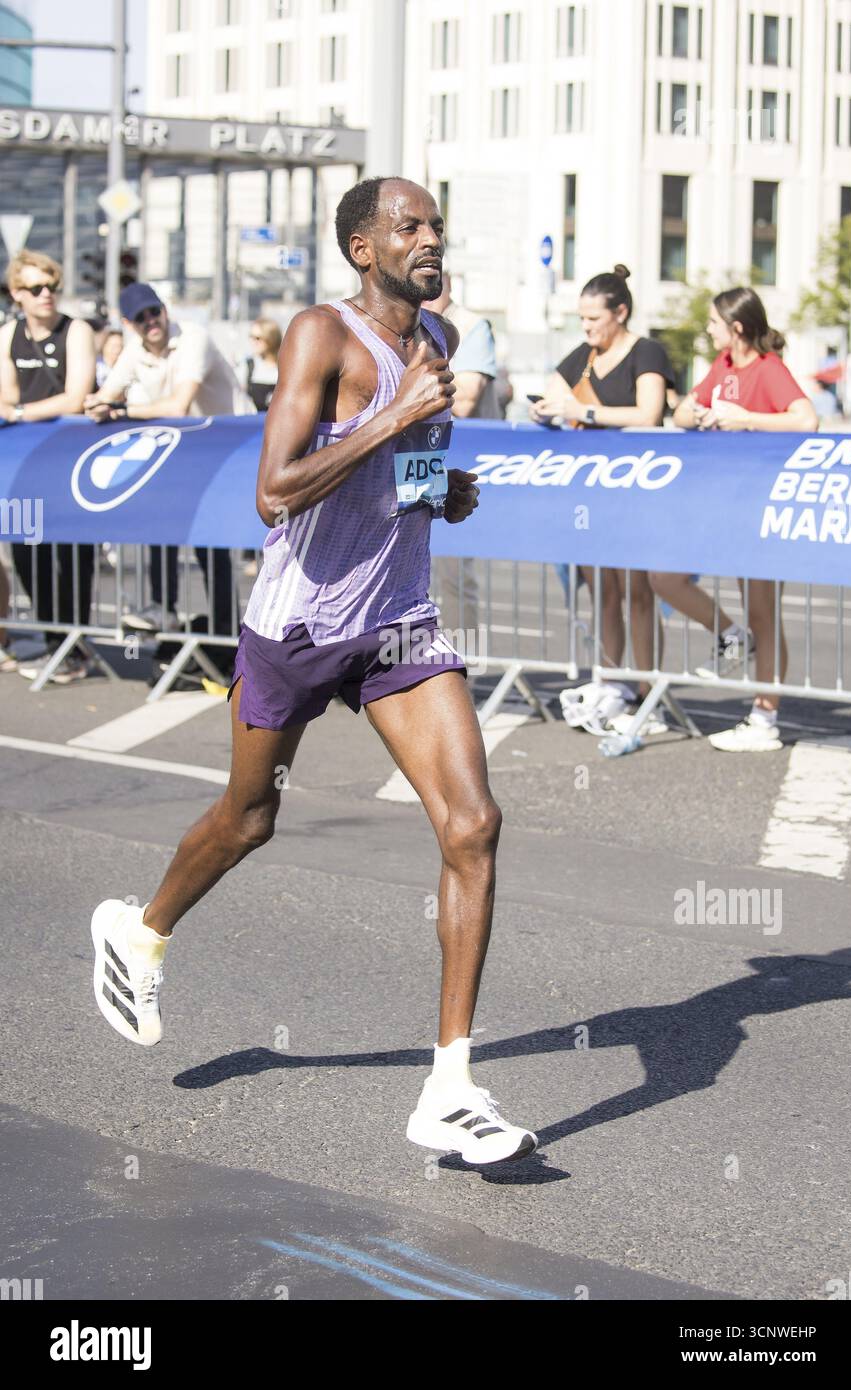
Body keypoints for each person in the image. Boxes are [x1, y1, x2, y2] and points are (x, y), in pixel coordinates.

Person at [88, 177, 537, 1167]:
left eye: (433, 226)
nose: (429, 238)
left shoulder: (442, 346)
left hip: (397, 624)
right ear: (361, 250)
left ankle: (449, 1087)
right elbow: (271, 492)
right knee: (250, 818)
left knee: (473, 822)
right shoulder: (319, 335)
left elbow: (405, 475)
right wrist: (388, 423)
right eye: (407, 227)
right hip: (297, 624)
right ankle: (141, 930)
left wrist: (438, 487)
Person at [653, 287, 818, 752]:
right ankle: (729, 632)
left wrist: (747, 418)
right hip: (717, 503)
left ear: (737, 328)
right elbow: (683, 411)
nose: (708, 330)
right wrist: (699, 412)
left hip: (760, 504)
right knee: (664, 577)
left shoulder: (769, 369)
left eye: (713, 323)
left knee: (764, 612)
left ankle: (765, 717)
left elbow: (806, 420)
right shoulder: (723, 366)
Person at [530, 265, 676, 734]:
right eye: (582, 320)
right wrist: (545, 409)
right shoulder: (584, 355)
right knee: (604, 593)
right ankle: (612, 682)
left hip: (635, 492)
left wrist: (584, 410)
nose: (587, 328)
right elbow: (555, 396)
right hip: (589, 495)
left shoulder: (646, 351)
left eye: (594, 319)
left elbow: (649, 414)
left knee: (638, 594)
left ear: (621, 312)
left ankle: (647, 690)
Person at [85, 283, 238, 658]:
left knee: (212, 543)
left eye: (154, 312)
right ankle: (165, 611)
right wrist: (97, 403)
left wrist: (119, 411)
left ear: (164, 310)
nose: (151, 321)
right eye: (141, 317)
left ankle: (227, 628)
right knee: (162, 530)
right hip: (183, 456)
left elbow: (179, 404)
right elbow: (105, 397)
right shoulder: (135, 350)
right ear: (128, 323)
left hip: (227, 451)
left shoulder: (193, 338)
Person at [0, 250, 97, 685]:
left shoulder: (74, 329)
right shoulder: (7, 335)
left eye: (52, 287)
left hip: (72, 459)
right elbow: (4, 395)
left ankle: (73, 646)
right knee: (27, 550)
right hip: (28, 461)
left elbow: (74, 398)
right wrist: (21, 410)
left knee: (73, 555)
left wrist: (21, 413)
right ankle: (54, 639)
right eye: (36, 288)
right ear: (17, 293)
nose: (47, 296)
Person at [424, 270, 505, 638]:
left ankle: (460, 667)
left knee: (454, 574)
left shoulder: (470, 326)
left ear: (449, 283)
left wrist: (409, 390)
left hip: (459, 465)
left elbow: (468, 398)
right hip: (418, 461)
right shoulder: (403, 322)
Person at [242, 317, 281, 411]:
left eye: (258, 338)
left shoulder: (285, 368)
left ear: (271, 339)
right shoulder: (247, 367)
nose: (253, 342)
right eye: (251, 337)